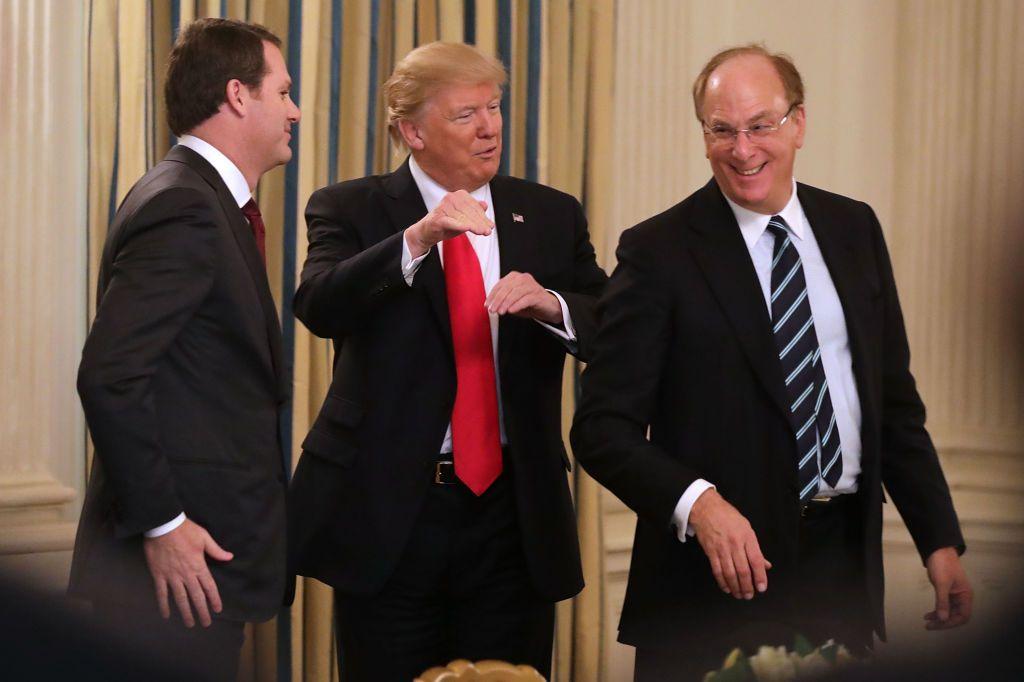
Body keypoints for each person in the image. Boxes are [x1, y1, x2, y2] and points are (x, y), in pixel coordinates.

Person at [570, 44, 972, 680]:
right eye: (721, 129)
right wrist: (699, 506)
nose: (742, 148)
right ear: (703, 134)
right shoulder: (658, 252)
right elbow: (600, 430)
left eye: (761, 125)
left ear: (799, 124)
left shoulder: (854, 228)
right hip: (713, 589)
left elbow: (891, 401)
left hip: (841, 575)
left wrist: (939, 542)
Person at [288, 41, 607, 682]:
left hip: (514, 518)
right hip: (393, 516)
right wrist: (417, 239)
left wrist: (553, 305)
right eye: (466, 114)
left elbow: (614, 325)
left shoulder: (549, 212)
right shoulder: (350, 207)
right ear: (413, 131)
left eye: (493, 107)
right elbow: (320, 305)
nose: (490, 127)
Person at [69, 18, 300, 681]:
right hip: (168, 577)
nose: (295, 110)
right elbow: (109, 375)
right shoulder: (186, 206)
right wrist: (164, 526)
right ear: (237, 95)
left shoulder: (200, 198)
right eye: (281, 92)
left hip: (200, 571)